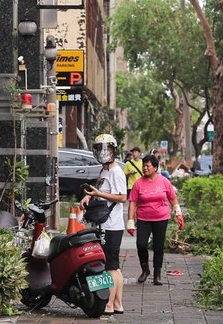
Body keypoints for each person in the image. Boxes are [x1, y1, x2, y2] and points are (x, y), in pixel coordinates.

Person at [80, 134, 127, 315]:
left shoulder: (116, 172)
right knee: (114, 266)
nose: (103, 153)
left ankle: (108, 305)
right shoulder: (104, 170)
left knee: (110, 266)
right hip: (105, 225)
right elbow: (99, 191)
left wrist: (100, 194)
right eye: (100, 149)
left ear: (114, 151)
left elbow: (122, 197)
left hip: (112, 226)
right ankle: (117, 304)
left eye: (106, 149)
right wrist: (89, 195)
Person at [126, 154, 184, 285]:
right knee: (141, 244)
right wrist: (130, 221)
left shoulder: (164, 181)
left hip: (161, 218)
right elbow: (133, 203)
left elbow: (173, 199)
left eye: (148, 166)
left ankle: (157, 275)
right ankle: (145, 270)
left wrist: (178, 214)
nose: (145, 168)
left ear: (155, 168)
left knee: (158, 246)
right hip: (143, 218)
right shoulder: (138, 183)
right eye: (143, 166)